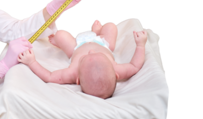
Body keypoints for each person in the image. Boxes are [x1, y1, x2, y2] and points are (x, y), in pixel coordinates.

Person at [18, 18, 147, 99]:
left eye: (84, 59)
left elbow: (49, 76)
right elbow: (135, 66)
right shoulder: (116, 69)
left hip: (77, 47)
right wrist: (140, 45)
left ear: (78, 79)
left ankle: (60, 42)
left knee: (61, 34)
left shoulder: (73, 72)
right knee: (111, 25)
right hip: (103, 44)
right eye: (97, 54)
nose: (91, 51)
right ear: (116, 74)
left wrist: (32, 62)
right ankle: (98, 33)